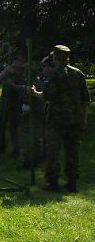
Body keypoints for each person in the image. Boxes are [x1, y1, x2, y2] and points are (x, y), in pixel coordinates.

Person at [29, 45, 90, 192]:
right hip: (75, 119)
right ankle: (72, 182)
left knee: (53, 151)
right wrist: (83, 118)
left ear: (55, 58)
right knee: (73, 151)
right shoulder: (78, 73)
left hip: (57, 119)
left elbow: (47, 96)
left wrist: (34, 93)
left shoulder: (55, 74)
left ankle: (53, 182)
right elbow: (85, 99)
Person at [0, 54, 27, 157]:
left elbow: (22, 87)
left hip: (16, 102)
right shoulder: (8, 70)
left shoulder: (23, 73)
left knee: (14, 126)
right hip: (5, 101)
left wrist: (11, 84)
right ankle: (1, 146)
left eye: (19, 61)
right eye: (15, 60)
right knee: (1, 125)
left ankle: (16, 150)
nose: (16, 62)